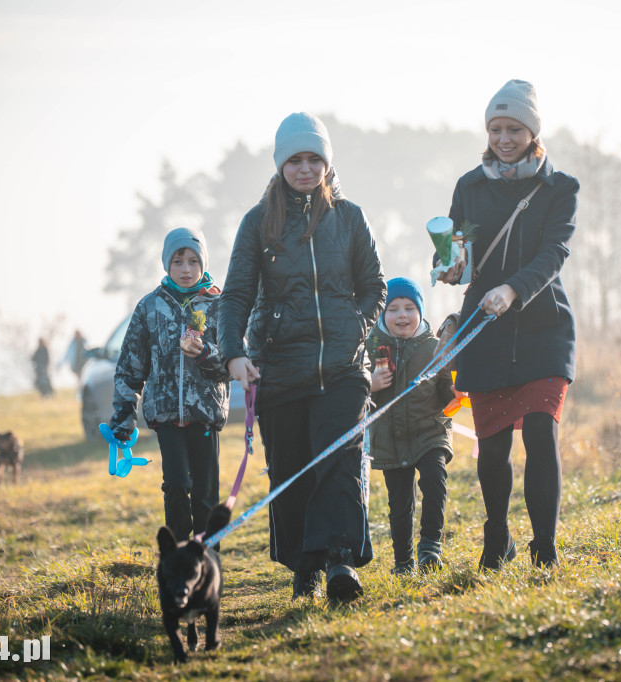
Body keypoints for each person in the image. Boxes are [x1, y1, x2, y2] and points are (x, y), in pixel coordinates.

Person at [218, 112, 386, 602]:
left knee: (338, 460)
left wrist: (355, 325)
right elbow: (235, 297)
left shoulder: (350, 218)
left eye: (315, 159)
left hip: (342, 369)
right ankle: (303, 569)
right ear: (281, 164)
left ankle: (338, 565)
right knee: (291, 470)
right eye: (296, 160)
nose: (306, 168)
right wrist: (233, 354)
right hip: (281, 367)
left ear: (327, 164)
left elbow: (374, 285)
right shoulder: (257, 223)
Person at [438, 79, 580, 570]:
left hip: (544, 327)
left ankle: (545, 547)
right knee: (493, 446)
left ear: (533, 132)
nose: (503, 138)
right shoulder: (469, 187)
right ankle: (497, 535)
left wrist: (514, 288)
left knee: (541, 430)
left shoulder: (560, 189)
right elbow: (459, 254)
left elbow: (554, 253)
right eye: (496, 128)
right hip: (486, 330)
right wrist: (452, 269)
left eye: (514, 129)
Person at [108, 227, 231, 542]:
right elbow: (130, 366)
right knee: (176, 485)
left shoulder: (218, 305)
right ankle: (177, 555)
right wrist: (123, 415)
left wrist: (204, 353)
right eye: (178, 262)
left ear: (203, 264)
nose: (186, 269)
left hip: (204, 412)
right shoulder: (150, 306)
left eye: (193, 261)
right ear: (167, 265)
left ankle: (206, 561)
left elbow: (231, 364)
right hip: (165, 415)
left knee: (205, 494)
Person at [366, 277, 453, 575]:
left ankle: (430, 545)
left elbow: (445, 387)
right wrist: (370, 385)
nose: (402, 315)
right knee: (399, 502)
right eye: (393, 309)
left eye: (409, 308)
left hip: (430, 430)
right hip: (389, 437)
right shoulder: (371, 346)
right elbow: (352, 389)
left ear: (420, 312)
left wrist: (454, 392)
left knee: (434, 480)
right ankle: (403, 562)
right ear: (382, 314)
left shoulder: (434, 347)